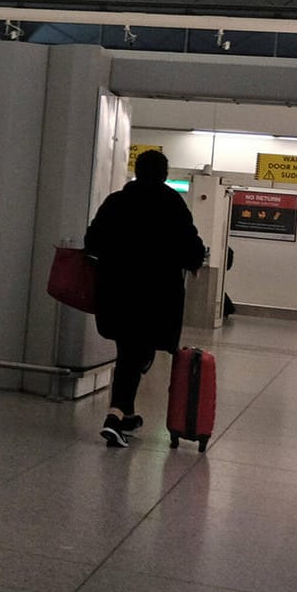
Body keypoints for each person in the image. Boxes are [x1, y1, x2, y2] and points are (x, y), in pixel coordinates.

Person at [85, 149, 206, 448]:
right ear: (164, 174)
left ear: (136, 171)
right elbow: (190, 246)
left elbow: (93, 241)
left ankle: (126, 414)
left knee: (131, 351)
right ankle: (114, 417)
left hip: (116, 292)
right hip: (155, 296)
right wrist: (193, 261)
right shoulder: (171, 204)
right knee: (135, 353)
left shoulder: (116, 201)